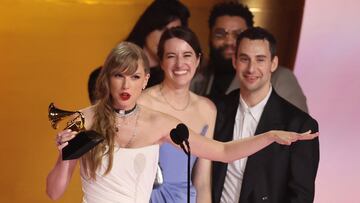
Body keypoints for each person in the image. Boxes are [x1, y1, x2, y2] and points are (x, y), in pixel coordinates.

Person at [46, 41, 317, 202]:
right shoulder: (84, 119)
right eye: (119, 75)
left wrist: (268, 136)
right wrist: (62, 158)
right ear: (108, 78)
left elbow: (222, 152)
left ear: (145, 81)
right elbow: (54, 192)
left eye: (135, 77)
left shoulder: (159, 123)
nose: (126, 84)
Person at [211, 27, 319, 203]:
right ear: (234, 61)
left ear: (273, 63)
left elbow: (301, 197)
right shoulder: (215, 109)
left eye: (260, 60)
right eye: (244, 59)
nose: (251, 68)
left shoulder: (299, 124)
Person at [138, 26, 213, 202]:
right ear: (161, 61)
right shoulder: (143, 103)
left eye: (187, 55)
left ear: (197, 60)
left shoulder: (208, 110)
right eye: (171, 56)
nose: (180, 64)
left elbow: (202, 181)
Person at [190, 1, 308, 112]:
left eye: (238, 35)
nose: (229, 41)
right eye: (220, 34)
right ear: (210, 37)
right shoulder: (198, 75)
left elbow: (298, 130)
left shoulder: (280, 78)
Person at [88, 0, 190, 104]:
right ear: (148, 26)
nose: (165, 37)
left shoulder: (174, 81)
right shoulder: (101, 77)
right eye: (162, 29)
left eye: (172, 32)